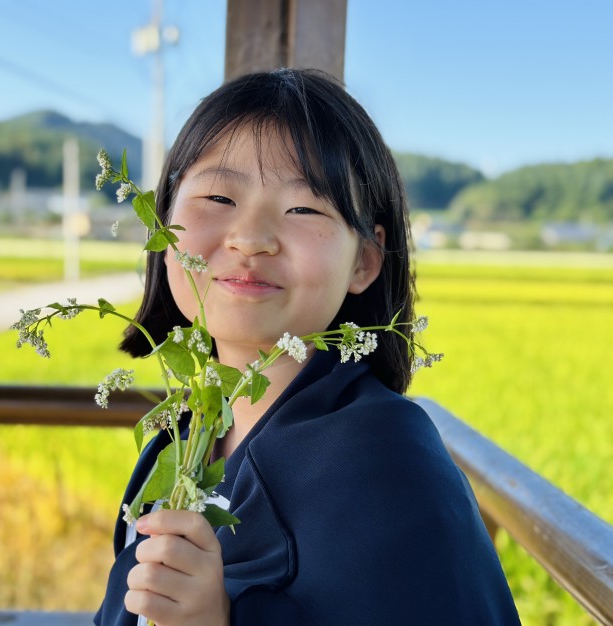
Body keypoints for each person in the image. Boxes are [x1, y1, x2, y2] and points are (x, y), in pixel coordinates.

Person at [94, 69, 520, 626]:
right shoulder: (189, 430)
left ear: (365, 259)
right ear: (163, 225)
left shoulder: (387, 466)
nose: (250, 238)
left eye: (304, 209)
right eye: (218, 196)